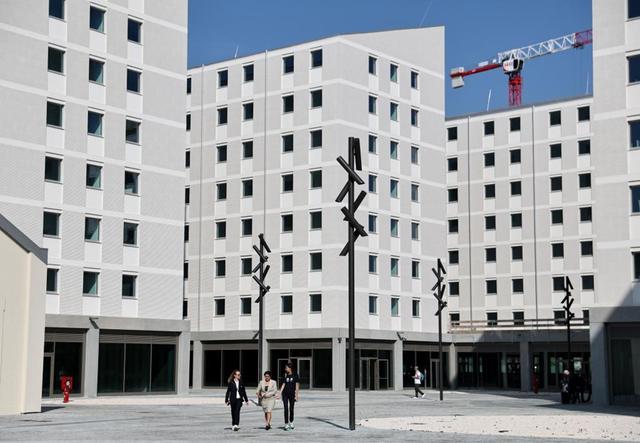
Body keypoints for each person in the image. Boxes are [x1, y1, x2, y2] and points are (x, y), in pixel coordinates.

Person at [278, 362, 299, 431]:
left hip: (292, 394)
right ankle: (286, 423)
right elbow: (283, 384)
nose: (285, 369)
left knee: (291, 409)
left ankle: (291, 422)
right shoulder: (285, 375)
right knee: (286, 409)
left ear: (290, 368)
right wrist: (279, 393)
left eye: (286, 368)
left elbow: (297, 385)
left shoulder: (295, 375)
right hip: (285, 394)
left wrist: (296, 395)